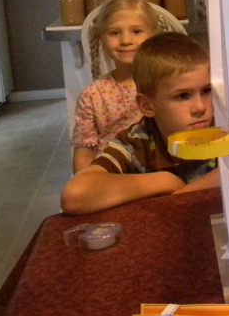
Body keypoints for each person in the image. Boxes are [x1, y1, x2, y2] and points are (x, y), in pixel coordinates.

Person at [61, 33, 218, 215]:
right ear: (147, 105)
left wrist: (177, 196)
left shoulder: (222, 129)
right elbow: (74, 197)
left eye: (206, 91)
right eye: (183, 96)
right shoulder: (135, 142)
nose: (200, 107)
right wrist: (165, 181)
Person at [71, 0, 160, 173]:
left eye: (136, 31)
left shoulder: (165, 84)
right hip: (111, 177)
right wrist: (87, 186)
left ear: (153, 34)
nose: (126, 41)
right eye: (114, 33)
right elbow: (84, 153)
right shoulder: (93, 95)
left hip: (157, 172)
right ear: (102, 38)